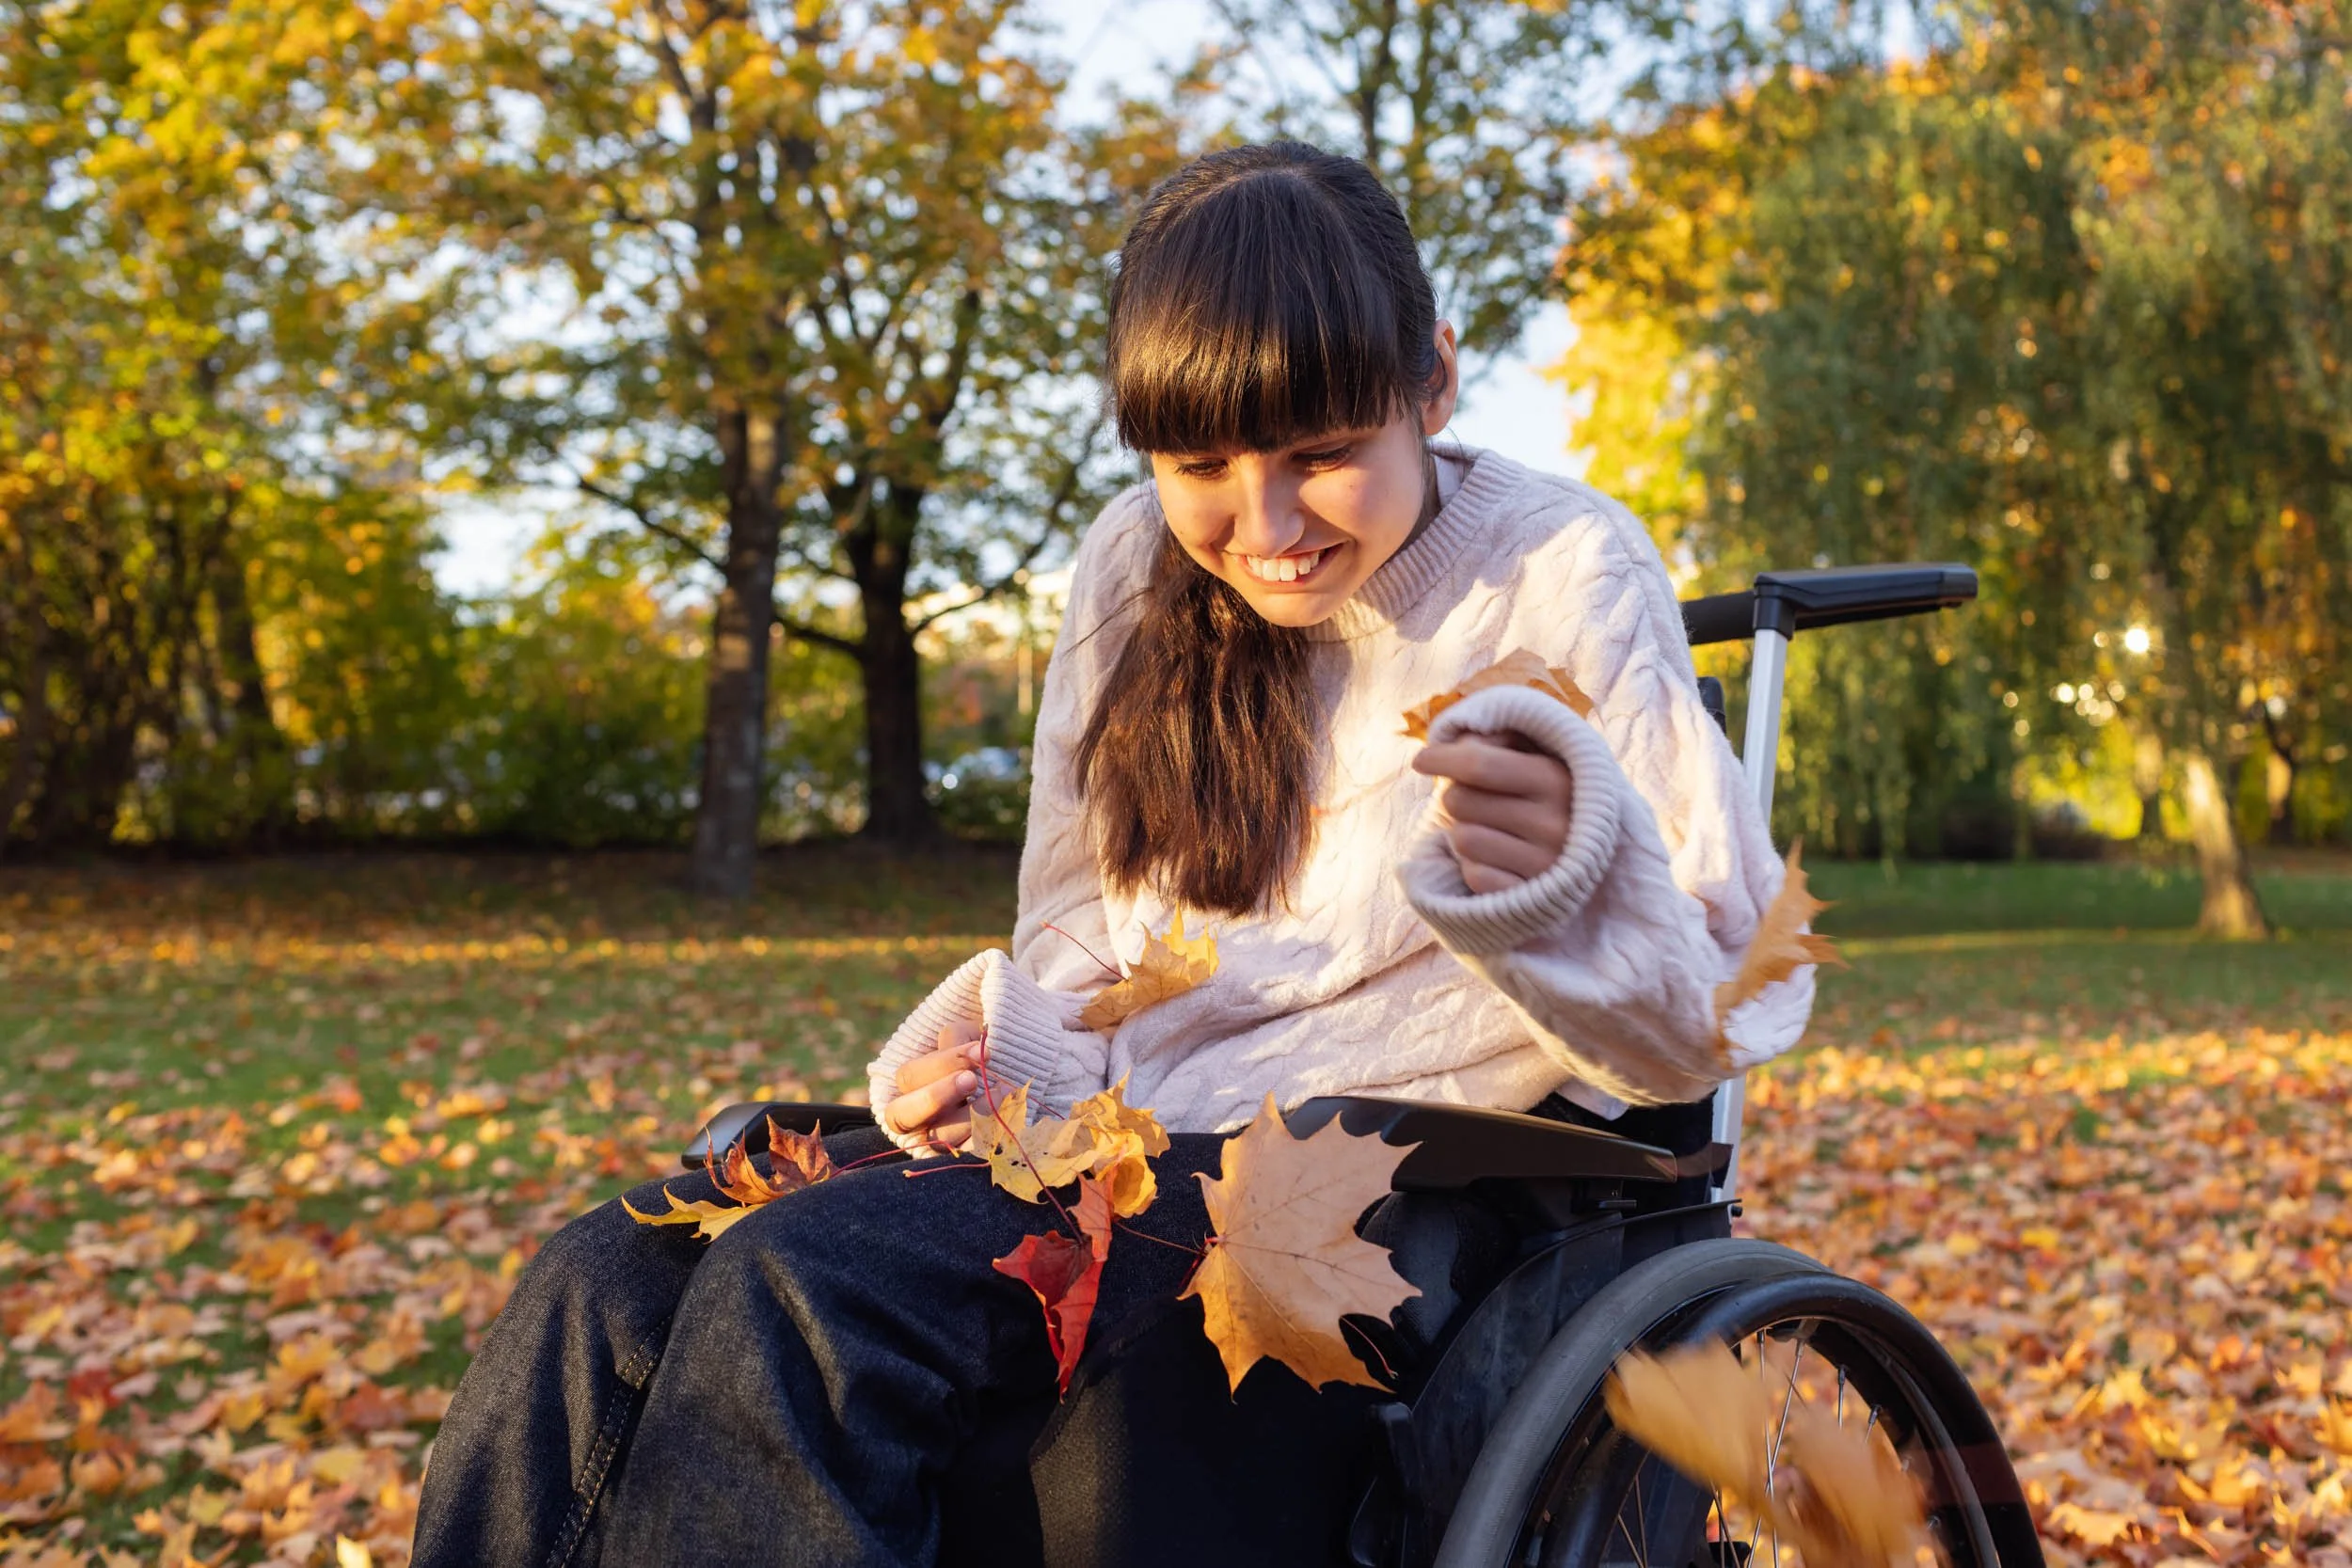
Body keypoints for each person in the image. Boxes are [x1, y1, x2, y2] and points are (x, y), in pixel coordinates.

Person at [409, 139, 1816, 1568]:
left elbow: (1713, 1019)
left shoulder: (1563, 572)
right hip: (1128, 1163)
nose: (1266, 525)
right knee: (603, 1278)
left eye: (1323, 454)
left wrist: (1564, 892)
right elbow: (1080, 933)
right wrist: (1000, 1064)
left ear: (1434, 381)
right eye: (1202, 465)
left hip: (1403, 1191)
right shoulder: (1132, 566)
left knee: (804, 1293)